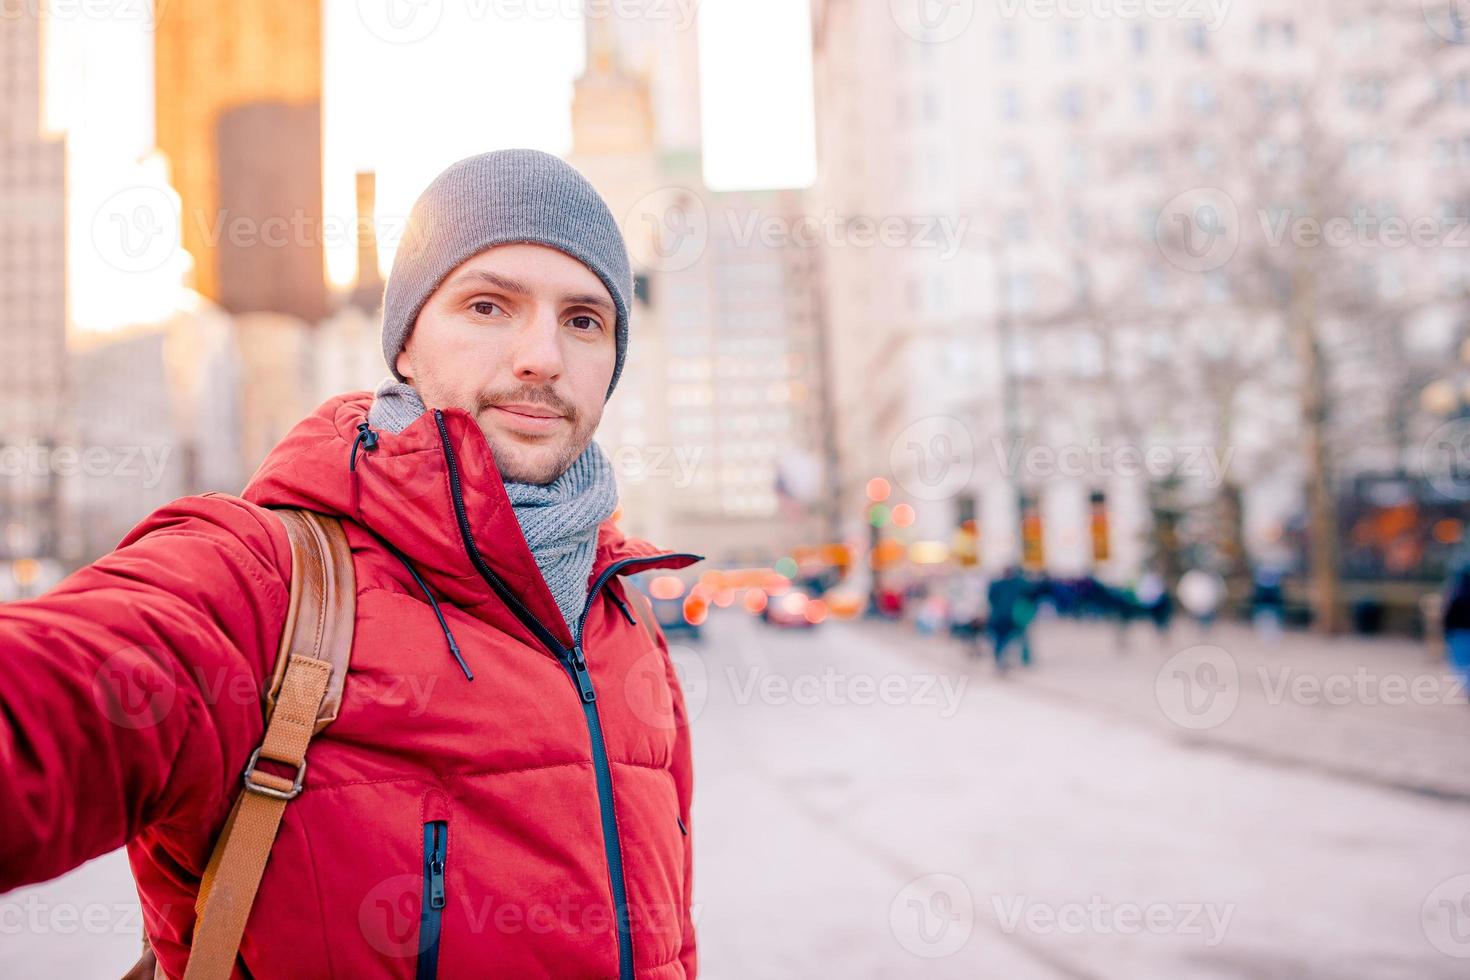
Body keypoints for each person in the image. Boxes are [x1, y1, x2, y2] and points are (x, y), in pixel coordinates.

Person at [0, 151, 701, 979]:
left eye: (584, 320)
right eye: (488, 305)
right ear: (405, 343)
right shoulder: (266, 583)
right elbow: (51, 700)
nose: (542, 356)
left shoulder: (621, 616)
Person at [987, 565, 1035, 671]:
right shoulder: (1019, 584)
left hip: (999, 617)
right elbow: (1031, 593)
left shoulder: (996, 584)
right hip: (1013, 617)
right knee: (1020, 638)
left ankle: (1000, 659)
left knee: (1001, 640)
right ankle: (1024, 659)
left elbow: (990, 599)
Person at [1442, 565, 1470, 691]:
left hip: (1459, 635)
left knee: (1462, 665)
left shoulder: (1457, 595)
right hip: (1460, 634)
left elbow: (1449, 616)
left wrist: (1447, 632)